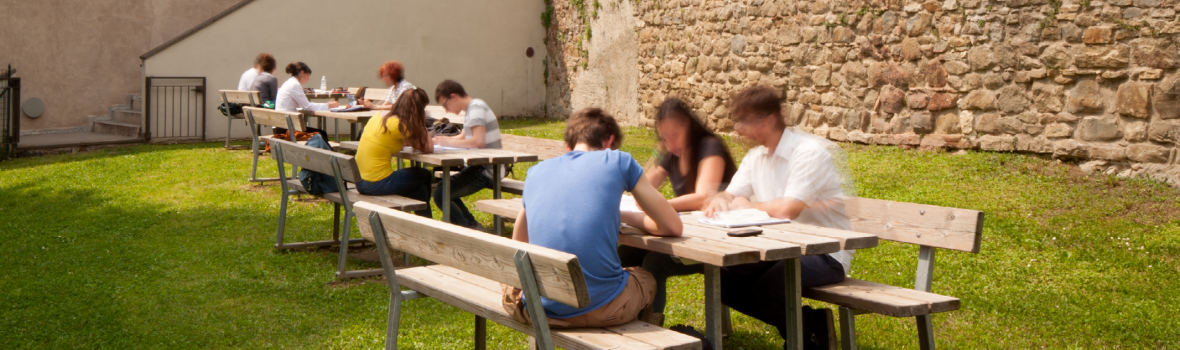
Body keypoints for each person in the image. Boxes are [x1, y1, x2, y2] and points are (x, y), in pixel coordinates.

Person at [502, 108, 683, 328]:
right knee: (645, 278)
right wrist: (628, 217)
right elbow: (672, 226)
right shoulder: (618, 161)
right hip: (603, 308)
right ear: (610, 141)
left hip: (541, 309)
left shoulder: (535, 173)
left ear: (568, 147)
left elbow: (519, 245)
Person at [703, 86, 854, 349]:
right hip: (781, 250)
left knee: (773, 287)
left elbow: (788, 209)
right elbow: (730, 195)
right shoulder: (756, 157)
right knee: (723, 279)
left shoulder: (807, 152)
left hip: (826, 251)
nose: (739, 129)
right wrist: (719, 201)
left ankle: (805, 339)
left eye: (745, 120)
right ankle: (810, 327)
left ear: (770, 119)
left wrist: (747, 207)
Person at [617, 97, 739, 324]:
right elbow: (641, 186)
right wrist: (659, 152)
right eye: (664, 137)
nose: (671, 141)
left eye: (674, 134)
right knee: (624, 254)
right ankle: (625, 316)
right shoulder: (671, 153)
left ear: (689, 126)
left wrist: (661, 208)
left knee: (655, 262)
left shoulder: (709, 147)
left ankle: (650, 328)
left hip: (719, 241)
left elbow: (703, 198)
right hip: (689, 235)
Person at [430, 80, 502, 229]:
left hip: (488, 170)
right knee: (444, 188)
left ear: (454, 96)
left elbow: (478, 141)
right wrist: (441, 140)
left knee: (441, 194)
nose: (446, 110)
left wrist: (447, 142)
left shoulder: (475, 108)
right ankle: (471, 225)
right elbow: (464, 137)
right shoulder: (472, 108)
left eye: (445, 105)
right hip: (480, 166)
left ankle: (469, 230)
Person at [354, 88, 435, 218]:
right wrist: (421, 122)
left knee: (420, 191)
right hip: (376, 183)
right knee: (424, 174)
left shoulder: (380, 117)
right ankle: (428, 223)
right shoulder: (400, 124)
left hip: (360, 181)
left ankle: (424, 224)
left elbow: (401, 141)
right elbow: (429, 148)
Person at [273, 62, 335, 141]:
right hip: (287, 130)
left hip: (280, 127)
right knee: (321, 134)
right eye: (308, 75)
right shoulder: (295, 85)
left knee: (320, 133)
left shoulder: (288, 83)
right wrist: (327, 105)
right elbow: (307, 106)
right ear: (302, 73)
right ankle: (328, 153)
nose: (308, 78)